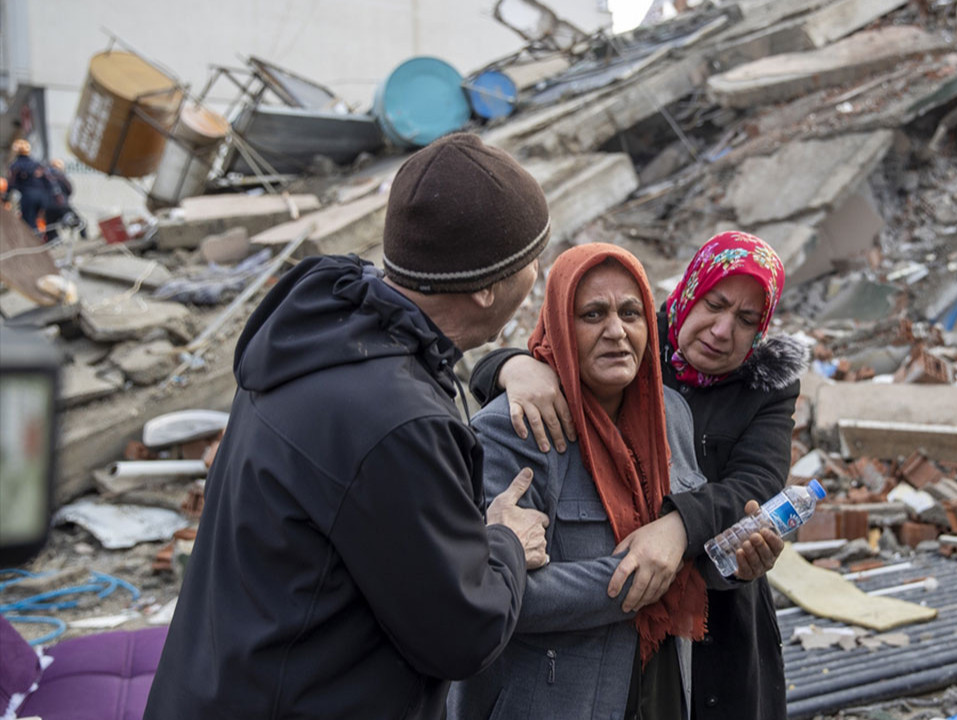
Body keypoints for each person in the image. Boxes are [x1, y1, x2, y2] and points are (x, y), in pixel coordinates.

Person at [144, 133, 554, 720]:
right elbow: (463, 632)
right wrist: (505, 540)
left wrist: (506, 364)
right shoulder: (397, 422)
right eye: (529, 261)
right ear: (487, 287)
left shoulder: (320, 331)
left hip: (218, 685)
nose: (536, 275)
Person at [471, 231, 807, 720]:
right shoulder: (526, 422)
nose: (720, 330)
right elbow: (489, 587)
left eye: (747, 320)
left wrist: (722, 558)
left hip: (683, 661)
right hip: (560, 688)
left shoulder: (669, 413)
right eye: (713, 304)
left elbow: (754, 488)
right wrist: (511, 366)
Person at [4, 139, 50, 234]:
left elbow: (11, 183)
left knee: (29, 223)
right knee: (44, 221)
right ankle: (44, 240)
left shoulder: (16, 166)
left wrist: (6, 198)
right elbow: (47, 180)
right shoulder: (37, 164)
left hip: (29, 197)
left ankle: (34, 244)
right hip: (43, 196)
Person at [42, 158, 81, 240]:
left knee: (50, 227)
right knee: (79, 222)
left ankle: (54, 242)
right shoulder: (62, 177)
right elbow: (69, 189)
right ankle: (84, 238)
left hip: (49, 206)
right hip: (62, 205)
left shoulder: (45, 176)